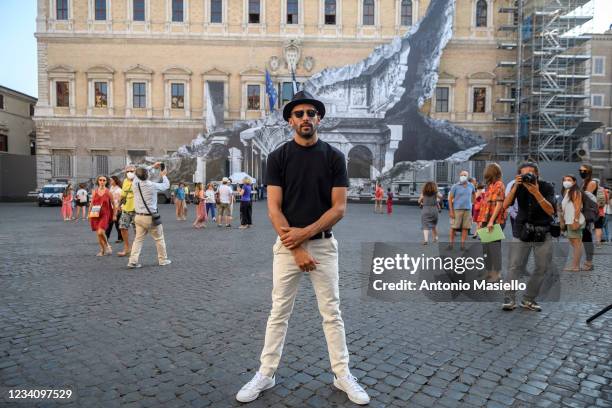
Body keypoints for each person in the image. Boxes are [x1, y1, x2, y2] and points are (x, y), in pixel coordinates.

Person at [236, 90, 369, 405]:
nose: (305, 118)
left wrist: (305, 235)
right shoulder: (278, 157)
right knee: (278, 312)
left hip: (322, 246)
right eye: (299, 114)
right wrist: (295, 247)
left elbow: (338, 208)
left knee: (331, 312)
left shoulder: (334, 157)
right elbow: (273, 209)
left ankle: (342, 374)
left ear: (318, 118)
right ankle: (266, 373)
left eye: (311, 113)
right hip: (287, 247)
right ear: (290, 121)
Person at [502, 161, 555, 311]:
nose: (528, 176)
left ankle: (528, 299)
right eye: (524, 174)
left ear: (537, 174)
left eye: (530, 173)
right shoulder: (517, 186)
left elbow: (551, 210)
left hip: (543, 232)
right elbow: (505, 205)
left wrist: (536, 192)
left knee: (542, 267)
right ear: (519, 175)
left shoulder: (546, 187)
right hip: (521, 231)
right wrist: (515, 188)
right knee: (514, 266)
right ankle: (509, 297)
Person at [127, 163, 171, 268]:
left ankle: (132, 261)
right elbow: (166, 185)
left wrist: (151, 166)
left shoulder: (135, 184)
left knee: (138, 239)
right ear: (148, 175)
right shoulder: (152, 185)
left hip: (138, 217)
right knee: (159, 239)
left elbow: (138, 173)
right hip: (150, 217)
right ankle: (163, 260)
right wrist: (163, 175)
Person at [476, 163, 506, 282]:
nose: (485, 176)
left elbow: (499, 204)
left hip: (494, 221)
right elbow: (484, 205)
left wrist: (491, 221)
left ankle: (496, 274)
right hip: (486, 220)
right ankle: (488, 272)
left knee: (494, 248)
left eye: (487, 174)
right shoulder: (490, 185)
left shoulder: (499, 185)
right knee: (486, 249)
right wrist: (480, 222)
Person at [560, 175, 584, 271]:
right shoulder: (568, 192)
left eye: (569, 180)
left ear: (574, 182)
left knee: (577, 243)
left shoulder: (575, 192)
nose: (566, 181)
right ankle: (575, 265)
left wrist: (576, 221)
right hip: (569, 221)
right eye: (564, 180)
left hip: (574, 221)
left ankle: (576, 266)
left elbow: (577, 207)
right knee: (574, 243)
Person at [448, 170, 475, 250]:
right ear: (459, 176)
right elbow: (450, 199)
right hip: (457, 210)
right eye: (462, 175)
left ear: (467, 176)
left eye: (465, 175)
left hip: (468, 210)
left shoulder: (471, 186)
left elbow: (474, 194)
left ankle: (462, 245)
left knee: (465, 228)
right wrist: (451, 211)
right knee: (454, 227)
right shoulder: (455, 186)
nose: (463, 176)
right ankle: (451, 244)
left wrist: (473, 202)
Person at [88, 175, 115, 256]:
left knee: (100, 232)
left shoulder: (108, 192)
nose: (102, 181)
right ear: (98, 181)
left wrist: (114, 215)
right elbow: (92, 203)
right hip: (95, 213)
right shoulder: (94, 191)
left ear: (106, 182)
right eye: (100, 180)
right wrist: (89, 213)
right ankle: (102, 250)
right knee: (98, 234)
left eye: (104, 180)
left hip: (105, 214)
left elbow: (114, 204)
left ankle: (107, 245)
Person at [579, 164, 596, 271]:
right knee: (584, 238)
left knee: (587, 238)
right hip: (583, 212)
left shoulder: (592, 182)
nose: (581, 172)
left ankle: (589, 263)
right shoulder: (584, 182)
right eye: (580, 170)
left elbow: (585, 197)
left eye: (584, 170)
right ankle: (586, 261)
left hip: (588, 213)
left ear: (589, 171)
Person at [118, 166, 136, 257]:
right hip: (126, 208)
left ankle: (135, 248)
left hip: (137, 209)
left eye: (131, 171)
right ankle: (127, 247)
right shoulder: (125, 181)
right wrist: (118, 205)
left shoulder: (139, 181)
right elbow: (123, 194)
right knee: (122, 227)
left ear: (135, 171)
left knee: (137, 231)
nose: (129, 172)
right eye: (128, 171)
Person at [106, 176, 123, 243]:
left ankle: (120, 238)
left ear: (115, 181)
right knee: (109, 224)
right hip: (111, 208)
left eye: (111, 180)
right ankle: (106, 237)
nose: (110, 181)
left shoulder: (119, 189)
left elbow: (121, 200)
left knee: (117, 224)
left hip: (117, 208)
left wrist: (120, 207)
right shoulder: (111, 188)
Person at [593, 178, 608, 248]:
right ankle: (598, 243)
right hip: (600, 212)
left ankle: (585, 242)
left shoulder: (589, 189)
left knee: (587, 227)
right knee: (598, 228)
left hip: (589, 212)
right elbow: (607, 201)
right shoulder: (603, 190)